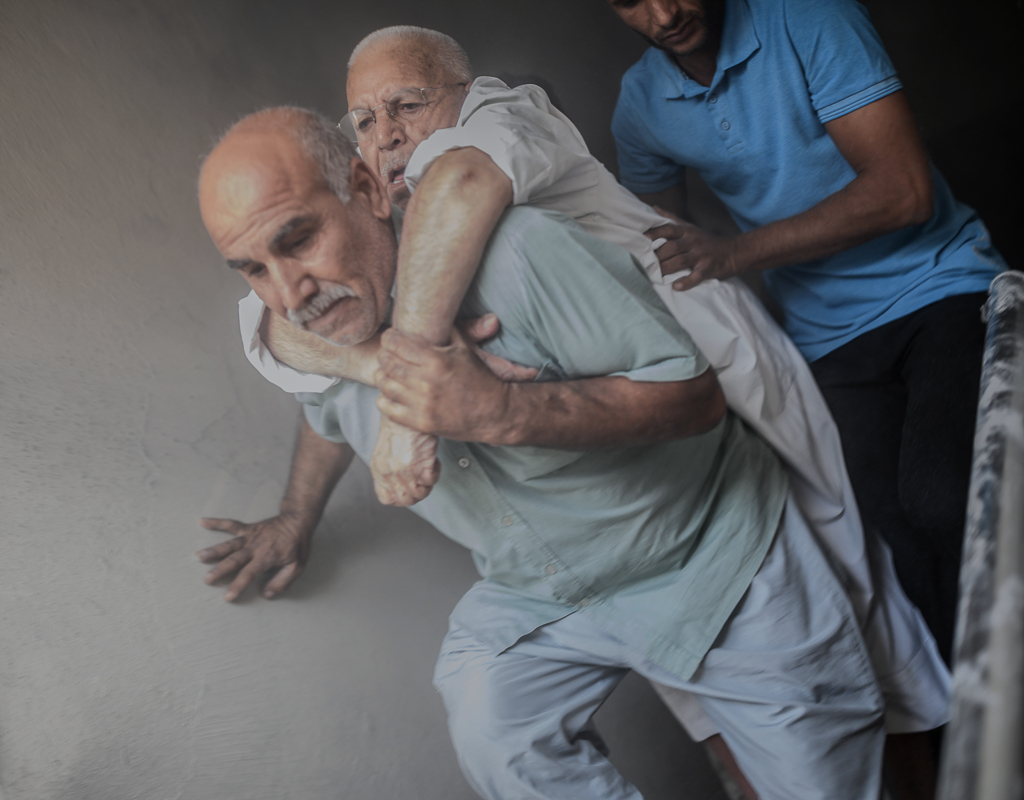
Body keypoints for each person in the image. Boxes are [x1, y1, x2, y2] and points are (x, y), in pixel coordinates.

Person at [231, 25, 949, 794]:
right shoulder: (361, 265)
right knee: (699, 692)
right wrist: (368, 390)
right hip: (628, 482)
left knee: (845, 599)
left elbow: (462, 184)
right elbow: (271, 332)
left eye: (408, 103)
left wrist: (411, 407)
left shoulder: (506, 120)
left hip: (715, 366)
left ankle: (932, 762)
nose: (390, 134)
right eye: (365, 121)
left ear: (466, 93)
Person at [607, 0, 1007, 667]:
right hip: (825, 341)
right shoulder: (641, 103)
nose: (664, 11)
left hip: (939, 285)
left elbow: (905, 191)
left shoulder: (808, 17)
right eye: (632, 1)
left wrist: (734, 253)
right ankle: (986, 731)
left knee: (942, 500)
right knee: (894, 545)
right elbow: (660, 253)